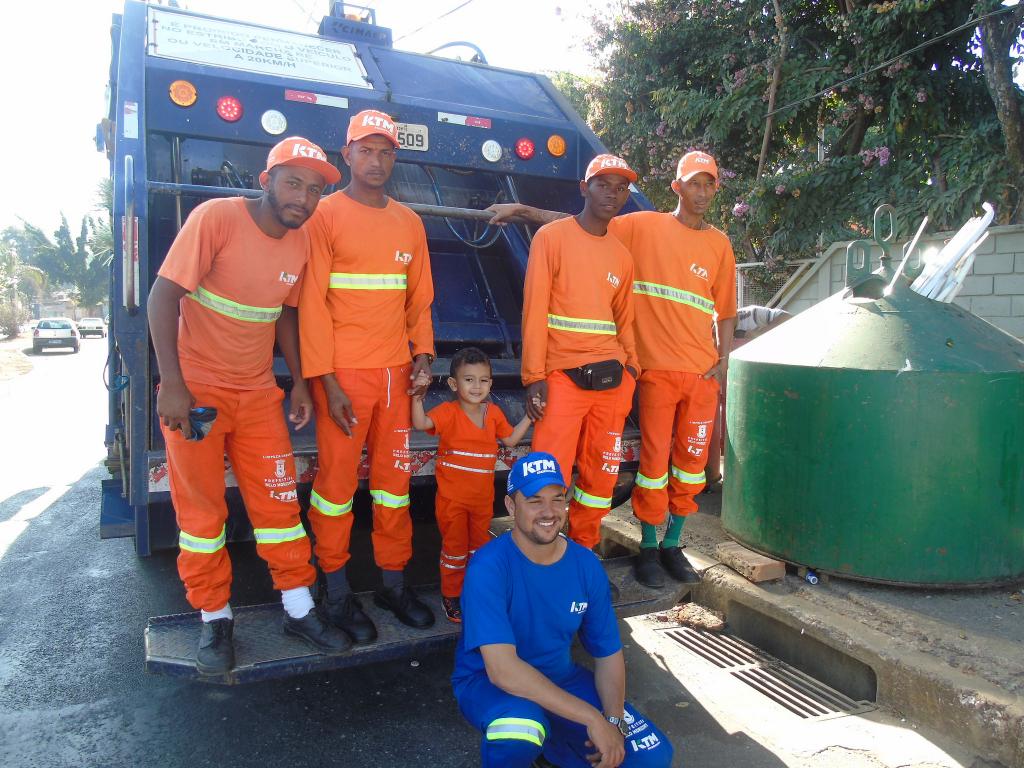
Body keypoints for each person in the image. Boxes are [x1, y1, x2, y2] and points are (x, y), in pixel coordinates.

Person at [148, 136, 351, 674]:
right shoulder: (216, 218)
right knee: (201, 516)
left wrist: (302, 383)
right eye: (293, 183)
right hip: (197, 394)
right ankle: (215, 619)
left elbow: (284, 315)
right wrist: (172, 385)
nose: (304, 198)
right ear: (266, 181)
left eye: (313, 190)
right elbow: (162, 297)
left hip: (259, 393)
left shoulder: (301, 240)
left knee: (280, 508)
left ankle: (299, 609)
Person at [489, 150, 737, 589]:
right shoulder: (628, 228)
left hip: (659, 377)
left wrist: (715, 364)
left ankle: (624, 555)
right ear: (676, 186)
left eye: (709, 183)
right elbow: (577, 229)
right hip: (603, 377)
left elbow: (714, 314)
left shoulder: (701, 246)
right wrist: (534, 377)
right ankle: (562, 564)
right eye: (692, 182)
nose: (701, 191)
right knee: (590, 472)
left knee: (654, 472)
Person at [299, 109, 436, 641]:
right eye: (366, 150)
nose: (375, 161)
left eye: (385, 152)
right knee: (334, 489)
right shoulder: (325, 216)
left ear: (393, 158)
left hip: (396, 377)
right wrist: (325, 381)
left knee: (394, 486)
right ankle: (334, 593)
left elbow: (419, 299)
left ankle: (392, 584)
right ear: (347, 154)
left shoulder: (408, 222)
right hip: (344, 378)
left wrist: (422, 353)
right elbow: (309, 304)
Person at [453, 452, 674, 768]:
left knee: (651, 758)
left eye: (557, 499)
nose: (549, 511)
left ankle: (555, 751)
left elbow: (609, 654)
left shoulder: (585, 564)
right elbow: (502, 670)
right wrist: (590, 719)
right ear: (511, 506)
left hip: (561, 678)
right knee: (520, 731)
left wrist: (611, 721)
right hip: (489, 684)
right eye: (534, 501)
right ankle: (537, 743)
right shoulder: (488, 567)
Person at [520, 154, 640, 552]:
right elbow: (534, 309)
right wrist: (534, 376)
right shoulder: (552, 238)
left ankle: (583, 557)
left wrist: (632, 371)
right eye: (603, 184)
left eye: (621, 187)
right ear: (583, 188)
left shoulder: (622, 256)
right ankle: (541, 559)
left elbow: (626, 321)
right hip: (561, 381)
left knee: (600, 479)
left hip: (611, 384)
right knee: (546, 479)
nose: (612, 193)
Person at [410, 346, 531, 623]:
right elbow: (420, 423)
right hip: (452, 502)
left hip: (481, 501)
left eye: (483, 380)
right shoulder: (447, 412)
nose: (477, 386)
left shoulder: (494, 413)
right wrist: (418, 398)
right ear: (453, 384)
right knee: (454, 549)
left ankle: (477, 590)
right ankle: (451, 595)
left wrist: (529, 417)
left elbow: (510, 440)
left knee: (479, 548)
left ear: (490, 382)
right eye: (469, 379)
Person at [703, 305, 790, 486]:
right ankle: (715, 475)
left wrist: (758, 334)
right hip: (728, 385)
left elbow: (788, 318)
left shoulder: (751, 314)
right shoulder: (708, 330)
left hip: (759, 381)